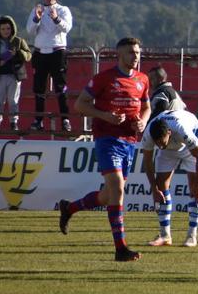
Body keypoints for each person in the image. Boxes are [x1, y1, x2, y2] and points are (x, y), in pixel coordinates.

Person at [58, 37, 151, 262]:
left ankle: (70, 208)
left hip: (129, 141)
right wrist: (105, 115)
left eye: (137, 52)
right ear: (119, 54)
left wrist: (143, 121)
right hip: (107, 139)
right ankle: (121, 248)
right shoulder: (104, 79)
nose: (135, 56)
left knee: (109, 195)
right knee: (118, 189)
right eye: (130, 52)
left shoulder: (143, 79)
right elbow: (80, 104)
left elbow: (146, 106)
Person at [142, 109, 198, 248]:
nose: (159, 145)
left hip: (190, 147)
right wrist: (154, 189)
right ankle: (165, 235)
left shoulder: (182, 129)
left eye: (161, 141)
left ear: (169, 133)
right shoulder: (148, 133)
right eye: (156, 143)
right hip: (169, 151)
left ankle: (192, 235)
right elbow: (147, 162)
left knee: (193, 188)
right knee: (160, 186)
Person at [26, 0, 74, 132]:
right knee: (39, 88)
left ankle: (65, 119)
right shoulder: (37, 9)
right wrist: (37, 18)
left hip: (57, 51)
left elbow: (67, 28)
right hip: (40, 53)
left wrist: (56, 19)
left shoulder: (63, 10)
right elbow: (30, 30)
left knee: (60, 87)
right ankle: (38, 119)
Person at [0, 16, 32, 131]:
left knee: (13, 100)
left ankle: (13, 122)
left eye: (8, 29)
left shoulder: (18, 41)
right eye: (3, 29)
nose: (6, 31)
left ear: (12, 29)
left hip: (14, 75)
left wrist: (18, 53)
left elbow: (28, 55)